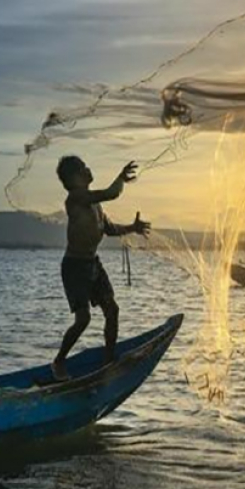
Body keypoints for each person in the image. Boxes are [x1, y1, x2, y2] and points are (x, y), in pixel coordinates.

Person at [51, 156, 151, 381]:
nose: (88, 169)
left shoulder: (95, 204)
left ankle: (108, 360)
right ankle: (58, 362)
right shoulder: (76, 199)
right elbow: (111, 192)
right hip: (75, 267)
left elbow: (110, 229)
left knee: (112, 310)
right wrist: (121, 178)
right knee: (83, 319)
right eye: (83, 168)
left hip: (92, 264)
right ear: (74, 178)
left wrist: (132, 228)